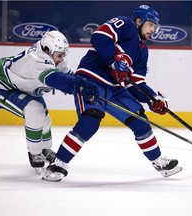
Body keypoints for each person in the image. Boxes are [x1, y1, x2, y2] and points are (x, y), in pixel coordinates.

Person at [43, 5, 182, 182]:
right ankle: (59, 162)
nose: (153, 30)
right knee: (90, 121)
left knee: (141, 121)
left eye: (156, 26)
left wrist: (153, 99)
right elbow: (99, 37)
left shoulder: (143, 51)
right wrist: (114, 62)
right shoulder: (125, 24)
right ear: (139, 21)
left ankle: (158, 162)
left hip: (115, 89)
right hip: (91, 81)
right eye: (151, 25)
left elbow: (136, 83)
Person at [0, 30, 98, 172]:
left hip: (25, 86)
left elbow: (69, 76)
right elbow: (57, 80)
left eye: (63, 54)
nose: (62, 59)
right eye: (59, 55)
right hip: (1, 87)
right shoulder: (36, 60)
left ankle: (45, 149)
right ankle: (34, 153)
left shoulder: (53, 55)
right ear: (47, 50)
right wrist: (78, 87)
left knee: (45, 120)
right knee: (35, 111)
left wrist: (85, 85)